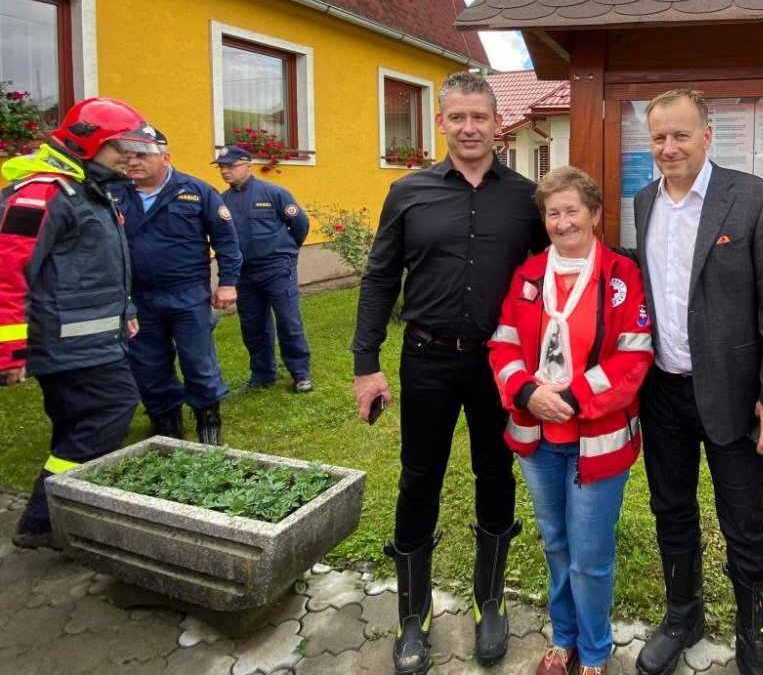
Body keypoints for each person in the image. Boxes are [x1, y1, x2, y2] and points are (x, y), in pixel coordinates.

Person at [351, 70, 548, 675]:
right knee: (419, 478)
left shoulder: (525, 198)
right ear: (440, 122)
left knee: (495, 473)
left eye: (479, 117)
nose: (468, 128)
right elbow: (380, 278)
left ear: (497, 124)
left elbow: (550, 276)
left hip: (499, 362)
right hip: (427, 358)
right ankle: (412, 614)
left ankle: (491, 601)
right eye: (457, 117)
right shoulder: (407, 192)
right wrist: (366, 365)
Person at [633, 88, 763, 675]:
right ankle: (683, 615)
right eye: (659, 137)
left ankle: (752, 633)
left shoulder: (754, 199)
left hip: (735, 396)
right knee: (671, 509)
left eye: (681, 135)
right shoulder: (644, 202)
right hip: (664, 392)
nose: (669, 147)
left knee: (745, 522)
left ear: (707, 136)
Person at [488, 166, 652, 675]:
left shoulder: (622, 276)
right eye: (552, 213)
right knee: (556, 544)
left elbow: (634, 356)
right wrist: (527, 393)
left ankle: (596, 651)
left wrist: (573, 399)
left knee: (590, 555)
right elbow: (503, 343)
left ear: (595, 214)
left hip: (597, 438)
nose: (562, 223)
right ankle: (563, 638)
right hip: (537, 436)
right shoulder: (528, 274)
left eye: (572, 210)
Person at [0, 98, 161, 549]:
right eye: (121, 148)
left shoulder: (85, 189)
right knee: (110, 410)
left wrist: (126, 312)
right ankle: (48, 518)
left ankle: (52, 521)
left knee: (76, 424)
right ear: (87, 143)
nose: (130, 157)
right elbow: (8, 273)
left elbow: (96, 268)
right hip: (68, 342)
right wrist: (9, 351)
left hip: (90, 337)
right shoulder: (42, 194)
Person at [110, 131, 242, 446]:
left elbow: (226, 240)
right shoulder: (113, 193)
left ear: (165, 158)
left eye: (143, 155)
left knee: (198, 360)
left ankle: (208, 421)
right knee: (148, 363)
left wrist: (227, 283)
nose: (133, 162)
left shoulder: (196, 191)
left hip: (187, 293)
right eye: (129, 155)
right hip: (137, 297)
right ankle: (167, 423)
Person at [214, 145, 313, 394]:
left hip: (276, 269)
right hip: (244, 273)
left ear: (249, 166)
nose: (225, 171)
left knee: (288, 321)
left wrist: (286, 252)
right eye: (222, 167)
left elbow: (299, 225)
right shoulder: (222, 201)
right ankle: (262, 375)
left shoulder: (273, 193)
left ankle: (300, 373)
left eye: (231, 166)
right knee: (253, 325)